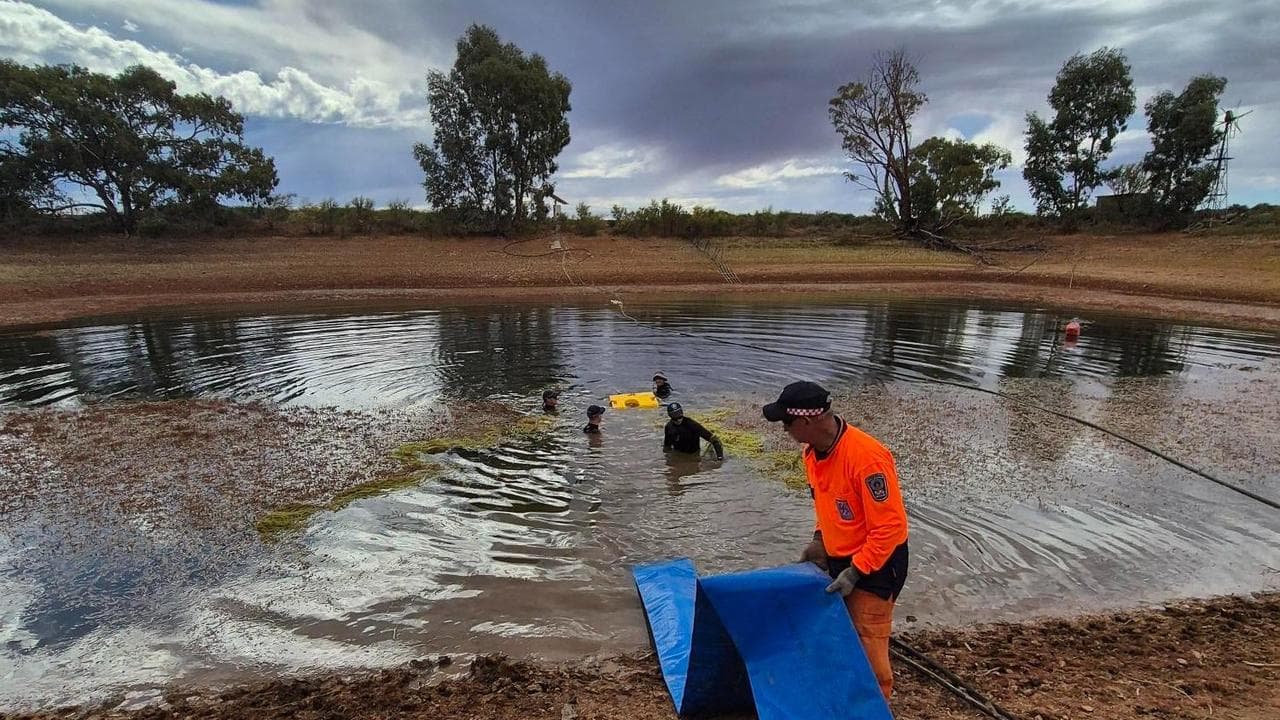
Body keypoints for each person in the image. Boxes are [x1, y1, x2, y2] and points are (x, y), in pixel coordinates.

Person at [762, 381, 908, 699]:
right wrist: (819, 540)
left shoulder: (867, 458)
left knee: (869, 640)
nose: (785, 430)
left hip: (879, 562)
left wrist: (856, 572)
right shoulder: (812, 454)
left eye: (786, 423)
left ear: (807, 421)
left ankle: (875, 705)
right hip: (839, 554)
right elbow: (827, 504)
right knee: (839, 632)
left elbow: (890, 528)